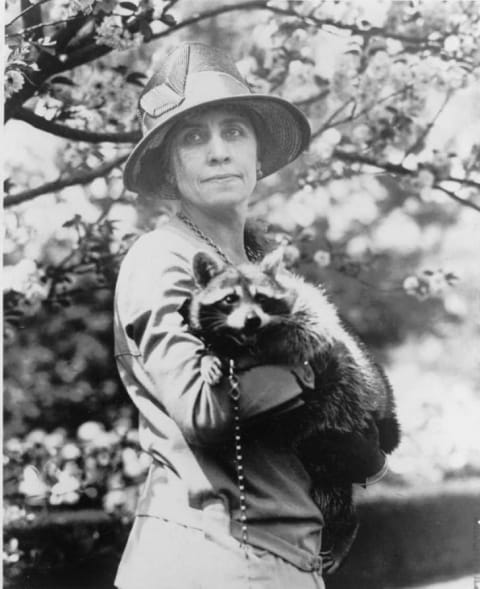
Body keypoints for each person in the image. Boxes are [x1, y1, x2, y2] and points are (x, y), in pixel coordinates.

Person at [114, 43, 388, 589]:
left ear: (258, 156)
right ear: (168, 170)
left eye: (234, 131)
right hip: (212, 559)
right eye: (194, 138)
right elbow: (203, 409)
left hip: (282, 559)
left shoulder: (257, 266)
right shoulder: (161, 256)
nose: (219, 152)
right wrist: (308, 374)